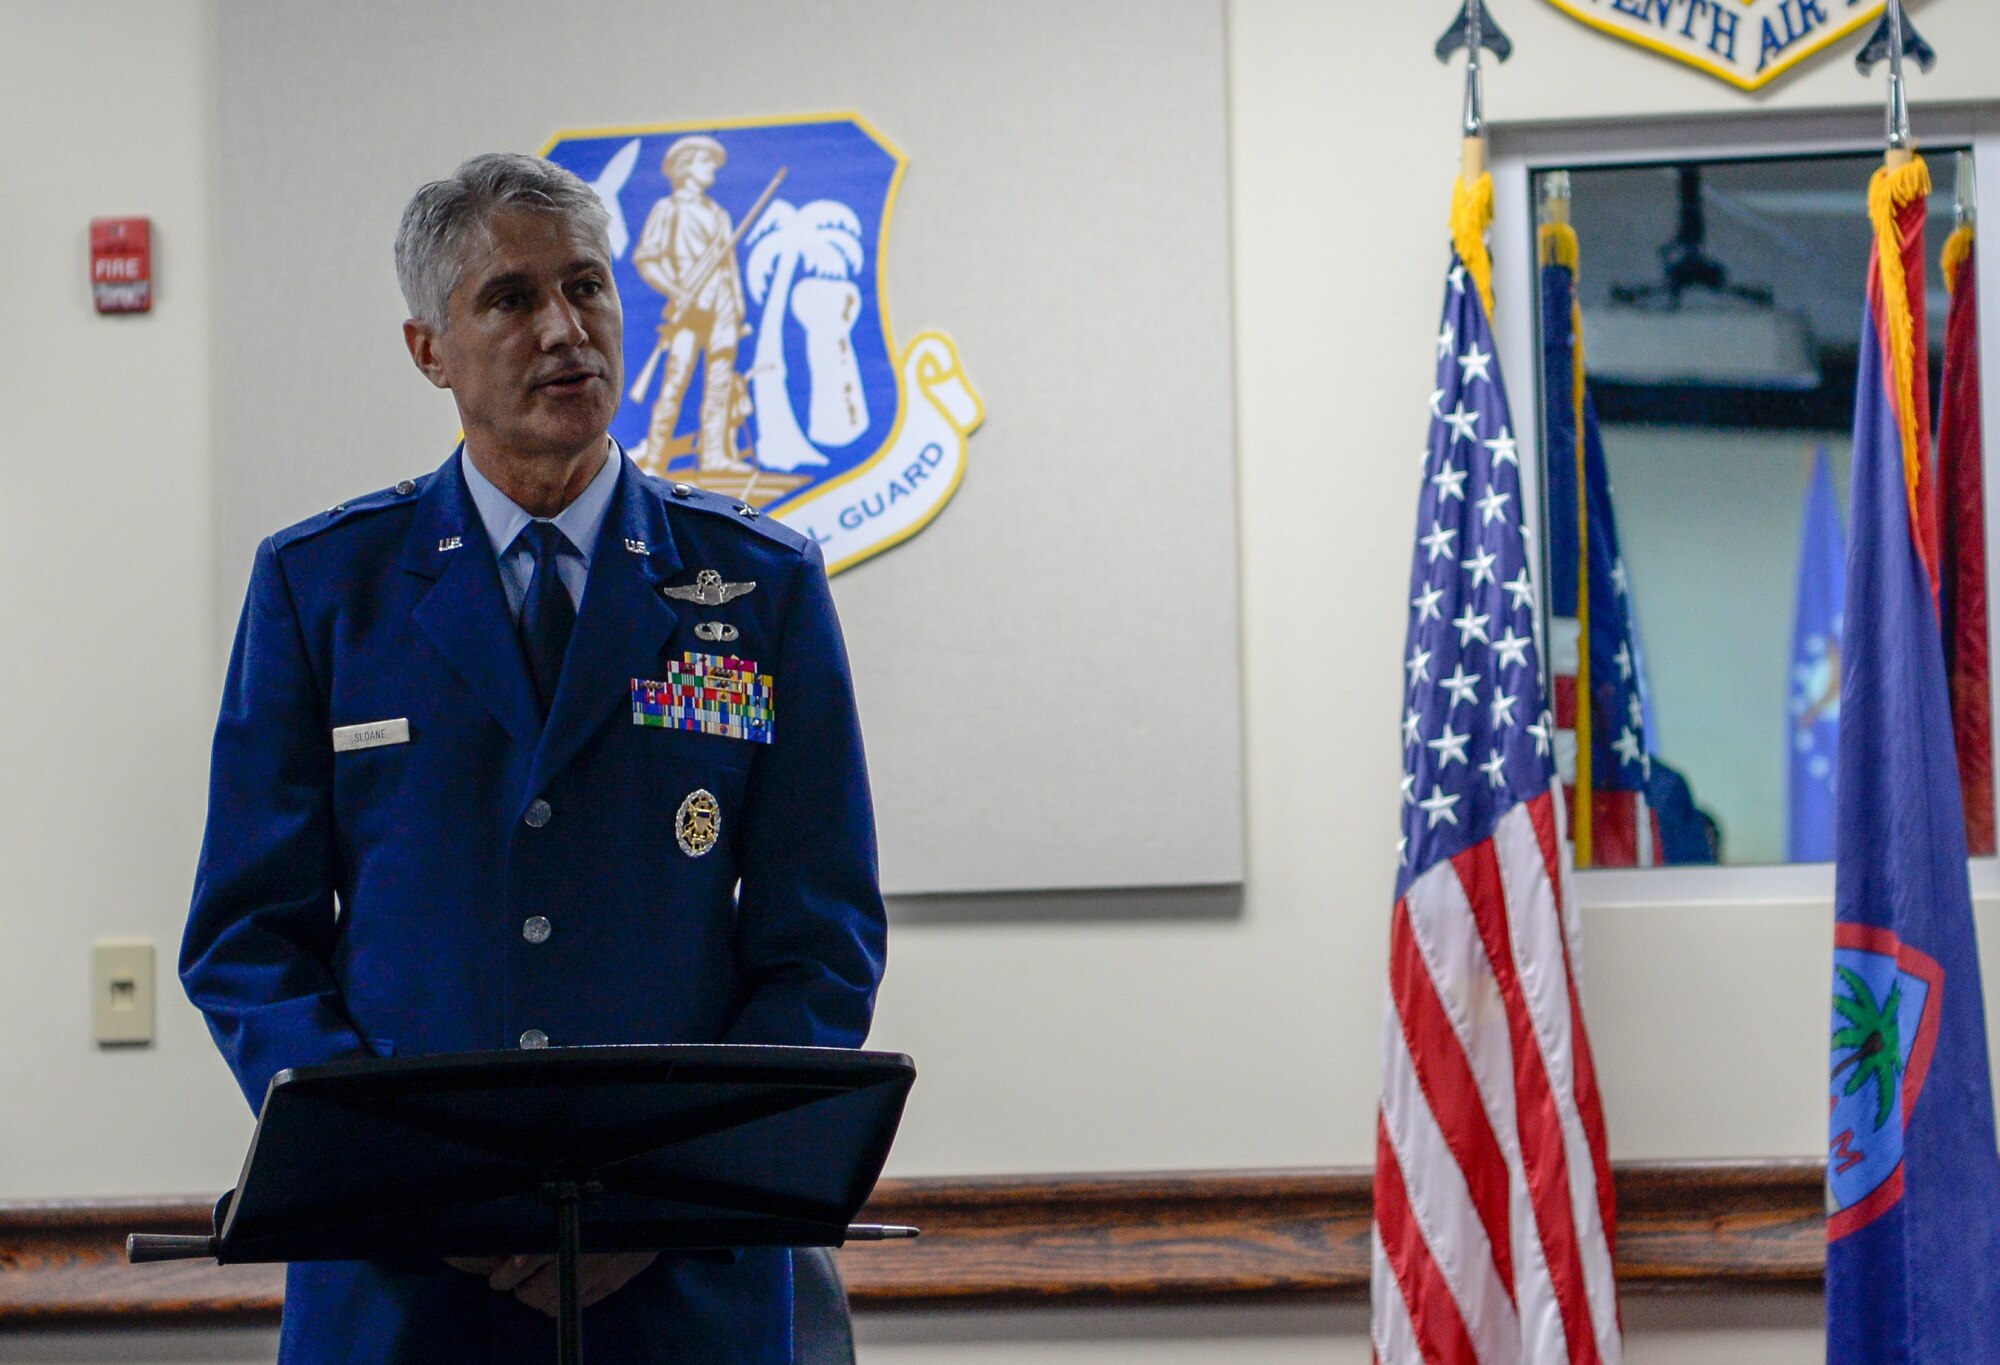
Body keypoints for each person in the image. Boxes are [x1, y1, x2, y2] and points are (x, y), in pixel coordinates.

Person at [180, 152, 887, 1364]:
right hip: (402, 1279)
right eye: (510, 299)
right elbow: (248, 941)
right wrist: (415, 1180)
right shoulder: (322, 589)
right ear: (427, 349)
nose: (565, 331)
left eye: (588, 288)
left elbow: (819, 942)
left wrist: (656, 1194)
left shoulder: (757, 587)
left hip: (684, 1282)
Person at [631, 134, 751, 475]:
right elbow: (648, 259)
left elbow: (730, 266)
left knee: (720, 381)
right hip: (689, 306)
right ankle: (655, 459)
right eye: (704, 161)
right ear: (685, 168)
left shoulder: (719, 213)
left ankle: (714, 457)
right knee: (676, 379)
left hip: (723, 305)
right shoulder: (667, 209)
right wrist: (677, 290)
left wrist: (737, 307)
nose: (711, 168)